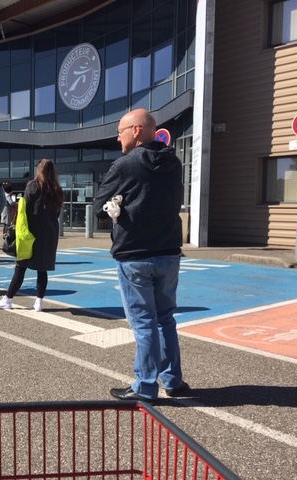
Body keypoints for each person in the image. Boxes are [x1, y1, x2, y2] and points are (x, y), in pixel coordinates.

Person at [93, 108, 190, 404]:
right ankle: (173, 380)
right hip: (169, 253)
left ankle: (145, 386)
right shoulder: (174, 163)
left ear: (136, 131)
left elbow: (98, 206)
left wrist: (116, 204)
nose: (118, 138)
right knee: (165, 319)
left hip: (135, 254)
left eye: (120, 131)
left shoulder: (126, 164)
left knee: (144, 322)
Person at [0, 159, 63, 312]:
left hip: (31, 232)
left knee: (20, 266)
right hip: (49, 232)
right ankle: (39, 302)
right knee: (42, 269)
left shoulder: (33, 186)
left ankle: (8, 299)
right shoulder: (57, 190)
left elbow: (25, 210)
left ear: (39, 170)